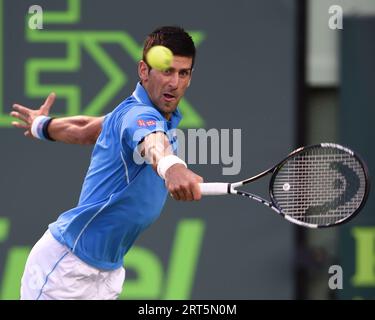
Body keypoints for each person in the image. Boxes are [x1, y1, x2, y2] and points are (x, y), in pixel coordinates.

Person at [11, 26, 203, 300]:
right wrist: (171, 166)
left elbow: (85, 129)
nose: (175, 82)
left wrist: (42, 125)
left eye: (183, 73)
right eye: (167, 71)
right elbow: (152, 142)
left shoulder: (135, 114)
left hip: (108, 273)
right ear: (144, 71)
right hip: (66, 266)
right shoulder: (139, 114)